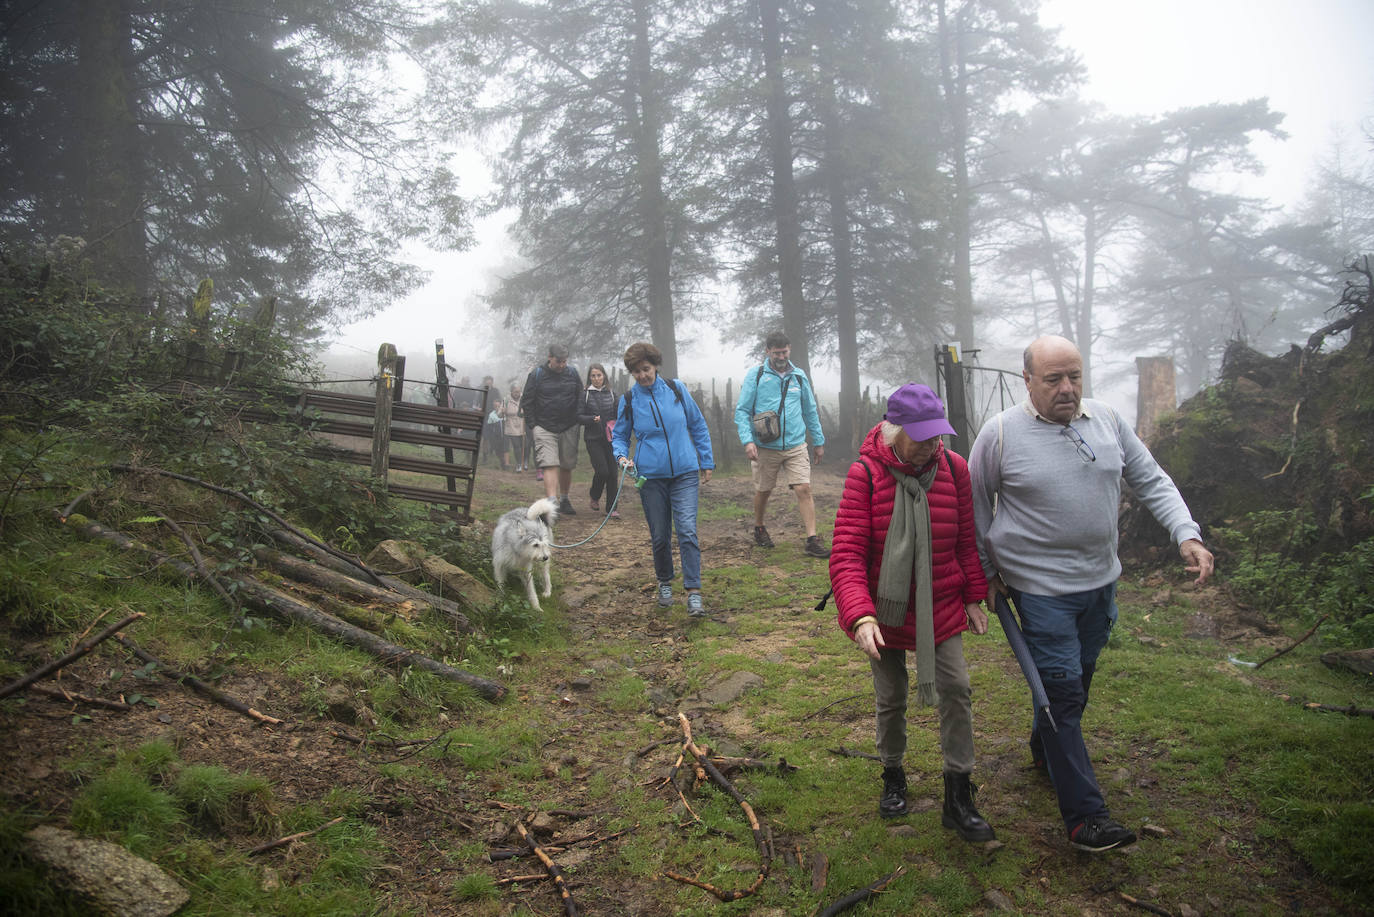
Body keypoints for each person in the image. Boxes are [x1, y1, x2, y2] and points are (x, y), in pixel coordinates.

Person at [969, 334, 1214, 854]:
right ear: (1027, 381)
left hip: (1100, 586)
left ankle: (1045, 749)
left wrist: (1185, 533)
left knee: (1073, 685)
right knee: (1063, 695)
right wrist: (988, 572)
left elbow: (1151, 479)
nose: (1067, 388)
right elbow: (976, 508)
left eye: (1074, 376)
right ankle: (1086, 819)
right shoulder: (1000, 435)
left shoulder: (1106, 420)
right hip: (1038, 593)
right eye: (1053, 378)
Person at [830, 384, 995, 842]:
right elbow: (846, 553)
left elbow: (966, 540)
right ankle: (893, 775)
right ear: (893, 432)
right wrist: (860, 615)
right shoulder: (865, 473)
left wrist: (972, 597)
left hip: (940, 603)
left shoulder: (954, 469)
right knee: (891, 697)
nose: (931, 446)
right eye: (920, 437)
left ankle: (958, 794)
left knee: (957, 688)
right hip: (883, 612)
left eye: (936, 436)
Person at [612, 342, 715, 617]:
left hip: (685, 472)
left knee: (687, 531)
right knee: (659, 535)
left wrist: (706, 460)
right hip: (650, 477)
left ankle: (694, 592)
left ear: (655, 365)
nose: (643, 376)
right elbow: (619, 436)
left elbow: (697, 424)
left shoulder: (676, 389)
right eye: (636, 372)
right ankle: (665, 582)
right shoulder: (630, 400)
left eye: (646, 369)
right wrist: (621, 457)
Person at [733, 331, 829, 558]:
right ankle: (759, 527)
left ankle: (812, 539)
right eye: (776, 353)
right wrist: (748, 441)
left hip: (796, 445)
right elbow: (743, 411)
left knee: (803, 488)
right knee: (764, 490)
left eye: (784, 352)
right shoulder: (756, 376)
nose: (781, 356)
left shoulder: (799, 377)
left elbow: (810, 410)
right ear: (767, 351)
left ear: (790, 349)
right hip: (766, 446)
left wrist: (818, 440)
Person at [519, 344, 584, 514]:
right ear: (549, 357)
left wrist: (578, 416)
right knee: (549, 464)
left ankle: (564, 499)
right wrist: (534, 425)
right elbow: (527, 400)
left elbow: (580, 396)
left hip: (569, 425)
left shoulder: (573, 373)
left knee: (566, 465)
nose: (562, 365)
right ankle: (551, 504)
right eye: (558, 361)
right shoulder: (537, 375)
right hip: (544, 427)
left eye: (564, 361)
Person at [578, 363, 621, 518]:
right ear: (590, 377)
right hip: (593, 439)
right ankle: (594, 495)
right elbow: (578, 416)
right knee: (602, 471)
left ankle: (612, 508)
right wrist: (591, 419)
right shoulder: (585, 394)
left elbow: (619, 413)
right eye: (593, 376)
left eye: (599, 375)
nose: (596, 379)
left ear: (604, 376)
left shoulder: (612, 393)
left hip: (610, 439)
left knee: (613, 473)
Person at [503, 381, 527, 472]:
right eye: (515, 391)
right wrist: (502, 411)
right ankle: (519, 464)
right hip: (511, 427)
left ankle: (524, 462)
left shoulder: (524, 399)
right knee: (517, 446)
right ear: (511, 391)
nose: (517, 393)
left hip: (522, 425)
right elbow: (499, 415)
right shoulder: (506, 400)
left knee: (524, 446)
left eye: (518, 391)